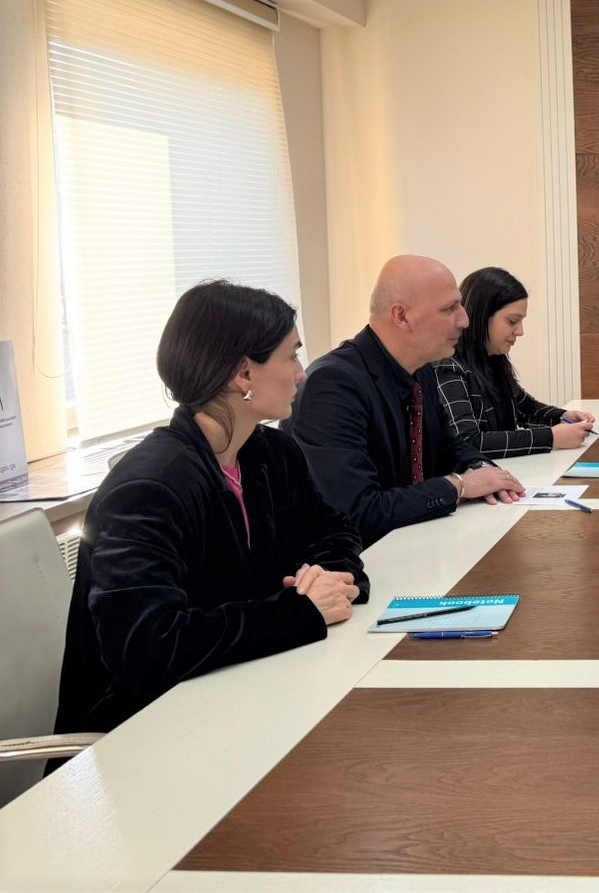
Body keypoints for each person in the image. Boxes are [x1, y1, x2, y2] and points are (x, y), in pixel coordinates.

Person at [55, 282, 369, 737]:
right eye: (291, 357)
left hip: (246, 699)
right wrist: (298, 612)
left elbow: (333, 530)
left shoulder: (272, 452)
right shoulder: (148, 487)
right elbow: (147, 647)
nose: (302, 375)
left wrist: (328, 576)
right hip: (143, 735)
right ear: (244, 374)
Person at [284, 255, 524, 547]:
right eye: (449, 309)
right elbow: (356, 512)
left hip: (415, 547)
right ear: (401, 316)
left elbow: (447, 446)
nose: (465, 320)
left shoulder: (421, 368)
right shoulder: (332, 385)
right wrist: (457, 487)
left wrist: (480, 468)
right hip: (358, 562)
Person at [434, 267, 596, 457]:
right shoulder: (448, 368)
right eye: (512, 321)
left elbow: (526, 408)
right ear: (482, 316)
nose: (520, 331)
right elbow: (468, 441)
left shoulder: (493, 360)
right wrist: (550, 438)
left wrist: (562, 416)